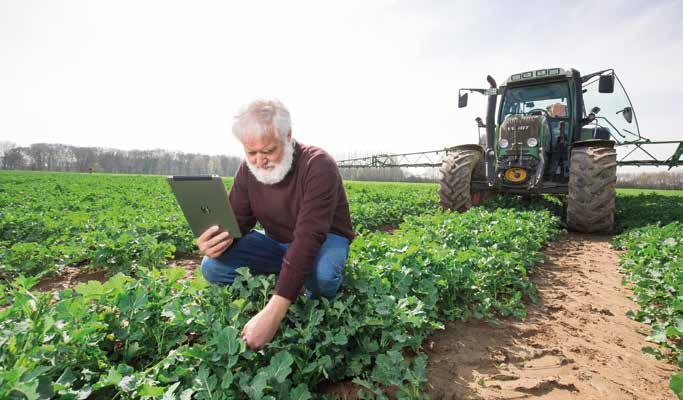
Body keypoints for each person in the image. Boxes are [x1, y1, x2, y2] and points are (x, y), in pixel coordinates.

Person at [198, 99, 354, 350]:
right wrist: (215, 240)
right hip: (277, 242)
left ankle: (300, 286)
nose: (259, 160)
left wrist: (273, 313)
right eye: (251, 153)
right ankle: (293, 279)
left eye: (268, 150)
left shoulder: (318, 165)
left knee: (323, 276)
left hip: (324, 240)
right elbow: (239, 221)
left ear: (288, 136)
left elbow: (308, 237)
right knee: (212, 267)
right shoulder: (248, 171)